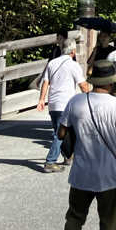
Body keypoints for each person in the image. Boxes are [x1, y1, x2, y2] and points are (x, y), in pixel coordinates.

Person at [51, 58, 116, 230]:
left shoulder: (76, 102)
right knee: (108, 221)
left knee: (75, 217)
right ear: (111, 82)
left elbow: (60, 134)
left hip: (81, 172)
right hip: (109, 174)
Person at [37, 41, 90, 173]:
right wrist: (90, 98)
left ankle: (67, 157)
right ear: (72, 52)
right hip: (66, 103)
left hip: (53, 103)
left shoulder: (52, 63)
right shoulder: (73, 65)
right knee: (62, 134)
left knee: (60, 132)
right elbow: (83, 85)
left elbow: (45, 83)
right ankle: (50, 161)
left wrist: (42, 99)